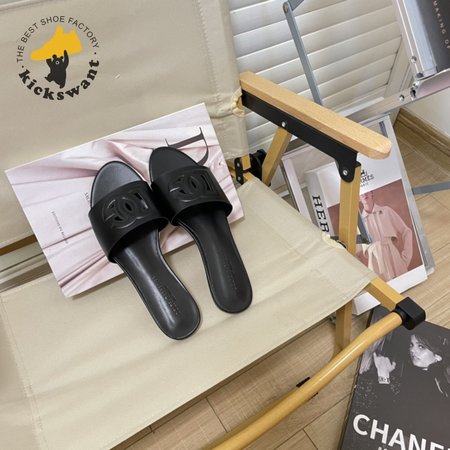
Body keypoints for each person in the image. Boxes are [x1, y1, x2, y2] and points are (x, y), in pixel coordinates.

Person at [357, 190, 413, 281]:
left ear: (371, 193)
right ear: (358, 197)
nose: (364, 194)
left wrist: (406, 258)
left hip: (395, 261)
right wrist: (365, 275)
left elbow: (406, 231)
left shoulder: (386, 211)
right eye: (361, 193)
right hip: (375, 266)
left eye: (366, 191)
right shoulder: (359, 223)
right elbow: (356, 252)